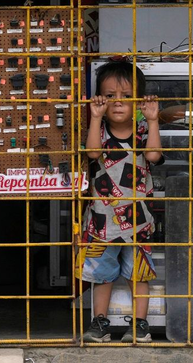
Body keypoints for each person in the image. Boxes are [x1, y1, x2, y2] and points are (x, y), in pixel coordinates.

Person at [77, 59, 163, 343]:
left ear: (138, 102)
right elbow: (91, 154)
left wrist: (152, 120)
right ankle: (99, 324)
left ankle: (140, 325)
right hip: (102, 222)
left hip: (138, 221)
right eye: (109, 96)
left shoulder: (142, 133)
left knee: (138, 275)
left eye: (126, 97)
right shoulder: (99, 133)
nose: (117, 102)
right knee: (101, 275)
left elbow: (152, 156)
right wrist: (96, 116)